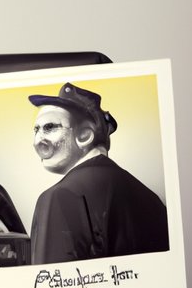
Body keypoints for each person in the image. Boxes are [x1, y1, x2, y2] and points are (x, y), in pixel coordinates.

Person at [29, 82, 169, 264]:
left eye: (49, 127)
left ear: (85, 136)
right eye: (36, 130)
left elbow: (51, 279)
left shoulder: (60, 196)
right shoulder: (153, 200)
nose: (37, 141)